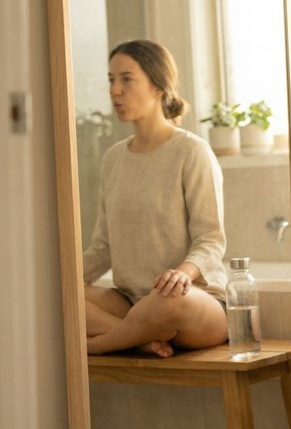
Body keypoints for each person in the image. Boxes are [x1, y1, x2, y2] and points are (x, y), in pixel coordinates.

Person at [82, 40, 228, 358]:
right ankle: (139, 338)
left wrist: (182, 274)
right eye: (111, 80)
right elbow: (103, 247)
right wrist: (62, 278)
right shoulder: (113, 159)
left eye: (126, 79)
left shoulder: (191, 151)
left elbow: (211, 241)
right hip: (131, 303)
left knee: (166, 301)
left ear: (158, 86)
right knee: (61, 295)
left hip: (191, 300)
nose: (115, 90)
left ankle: (101, 344)